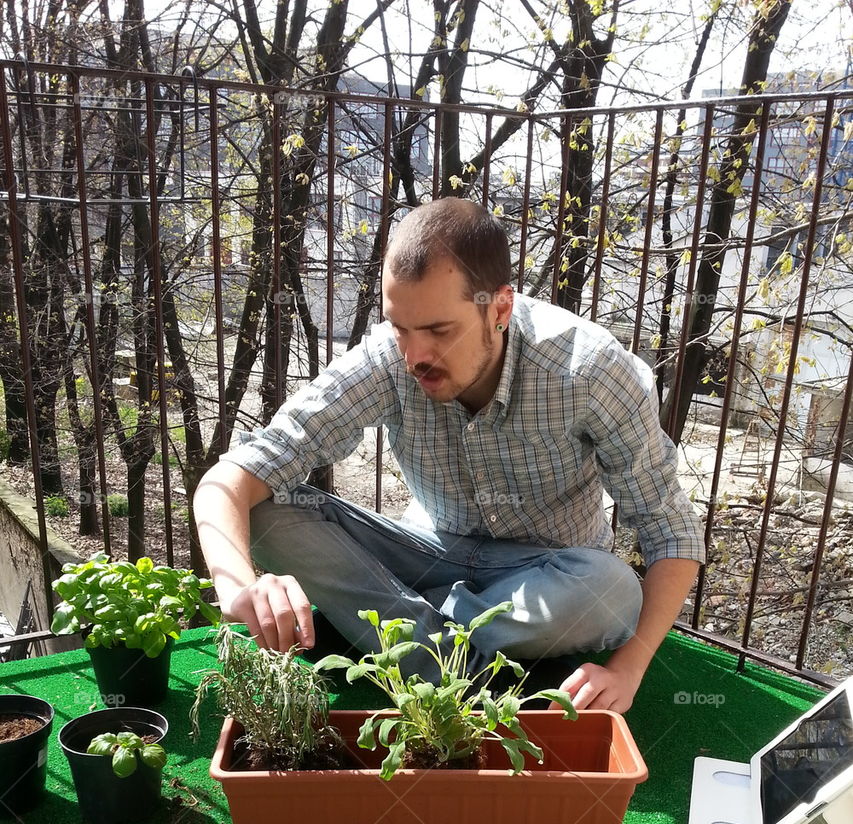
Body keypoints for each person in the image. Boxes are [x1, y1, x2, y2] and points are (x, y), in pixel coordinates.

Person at [194, 198, 704, 712]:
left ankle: (399, 637)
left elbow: (671, 531)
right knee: (264, 512)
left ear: (499, 309)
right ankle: (447, 659)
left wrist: (628, 668)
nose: (415, 356)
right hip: (427, 554)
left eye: (439, 330)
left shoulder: (588, 369)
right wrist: (238, 586)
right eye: (400, 327)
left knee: (612, 590)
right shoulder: (387, 361)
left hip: (548, 577)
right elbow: (234, 476)